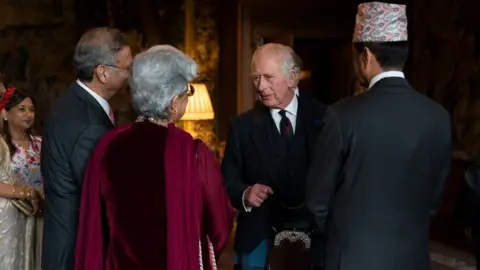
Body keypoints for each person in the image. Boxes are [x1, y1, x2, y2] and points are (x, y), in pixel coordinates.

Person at [305, 2, 452, 270]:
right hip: (413, 261)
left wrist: (347, 239)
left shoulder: (342, 116)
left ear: (366, 56)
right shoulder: (439, 117)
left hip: (352, 260)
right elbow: (433, 202)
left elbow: (317, 204)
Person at [74, 45, 234, 270]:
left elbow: (94, 227)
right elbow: (219, 227)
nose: (186, 100)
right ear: (173, 103)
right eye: (186, 94)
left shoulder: (107, 146)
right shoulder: (193, 153)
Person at [222, 43, 327, 270]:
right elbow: (227, 181)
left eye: (268, 77)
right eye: (256, 78)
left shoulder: (327, 118)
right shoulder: (242, 126)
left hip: (315, 238)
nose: (261, 86)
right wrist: (245, 192)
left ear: (293, 77)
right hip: (258, 237)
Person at [41, 27, 132, 270]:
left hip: (62, 242)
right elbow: (102, 193)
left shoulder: (72, 102)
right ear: (102, 72)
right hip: (76, 250)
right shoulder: (89, 125)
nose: (129, 76)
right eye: (126, 68)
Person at [0, 85, 43, 270]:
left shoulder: (41, 143)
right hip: (10, 216)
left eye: (31, 110)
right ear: (5, 114)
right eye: (22, 109)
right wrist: (26, 193)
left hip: (39, 214)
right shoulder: (2, 145)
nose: (28, 114)